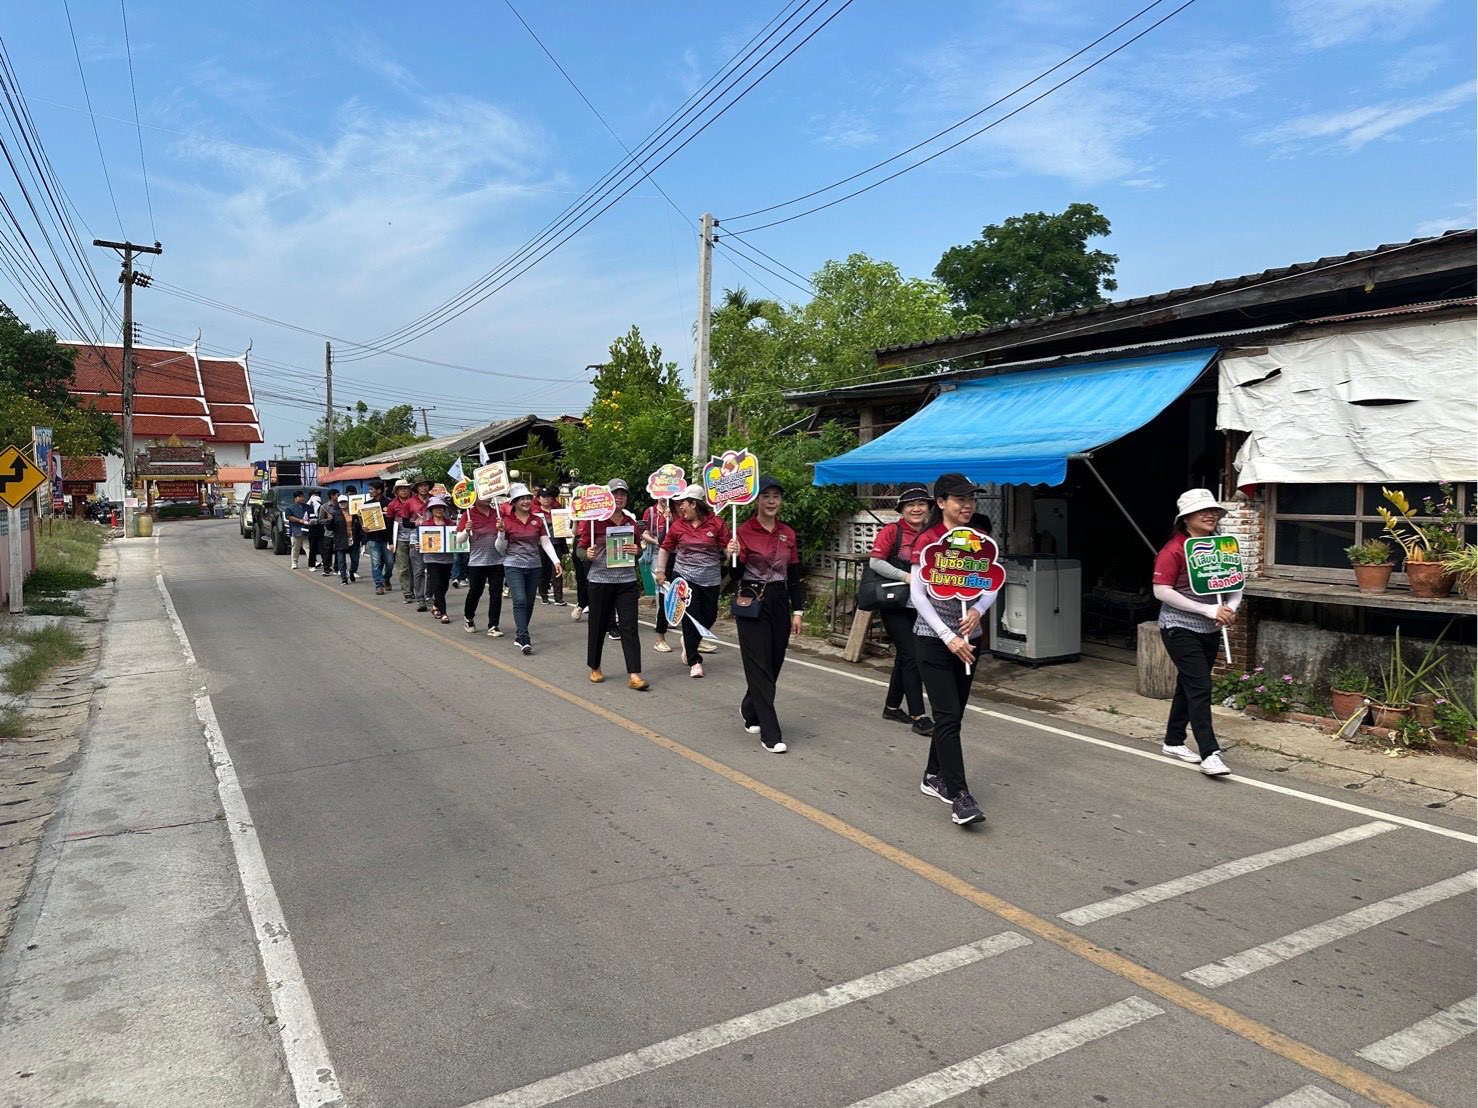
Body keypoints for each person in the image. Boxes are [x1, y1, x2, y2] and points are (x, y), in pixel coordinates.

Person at [910, 473, 1000, 827]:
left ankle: (933, 775)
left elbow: (991, 582)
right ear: (941, 502)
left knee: (954, 714)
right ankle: (960, 796)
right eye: (960, 499)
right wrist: (948, 635)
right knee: (947, 715)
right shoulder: (928, 540)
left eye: (971, 499)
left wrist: (978, 610)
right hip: (933, 639)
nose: (968, 505)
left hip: (969, 638)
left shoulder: (979, 539)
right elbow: (918, 596)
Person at [1152, 489, 1240, 777]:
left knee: (1189, 684)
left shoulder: (1223, 546)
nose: (1210, 515)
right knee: (1200, 686)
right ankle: (1209, 753)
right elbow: (1161, 591)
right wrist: (1207, 610)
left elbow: (1236, 583)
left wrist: (1229, 608)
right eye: (1202, 511)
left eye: (1213, 510)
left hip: (1211, 627)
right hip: (1179, 626)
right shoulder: (1173, 550)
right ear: (1185, 518)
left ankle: (1173, 741)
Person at [725, 475, 804, 752]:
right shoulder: (743, 531)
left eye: (776, 496)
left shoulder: (788, 533)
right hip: (752, 600)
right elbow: (735, 575)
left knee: (774, 662)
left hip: (779, 600)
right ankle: (771, 733)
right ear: (756, 500)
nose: (771, 501)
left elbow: (794, 574)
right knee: (758, 664)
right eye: (766, 496)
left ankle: (750, 708)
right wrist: (732, 555)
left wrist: (798, 611)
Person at [870, 485, 934, 736]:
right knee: (912, 655)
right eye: (910, 505)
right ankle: (919, 715)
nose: (916, 509)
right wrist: (906, 576)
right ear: (902, 509)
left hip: (922, 603)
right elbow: (876, 562)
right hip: (895, 603)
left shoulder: (933, 533)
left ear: (929, 507)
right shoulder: (892, 531)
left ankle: (892, 707)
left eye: (921, 504)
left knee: (905, 656)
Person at [579, 478, 649, 690]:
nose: (619, 497)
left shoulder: (630, 523)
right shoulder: (594, 521)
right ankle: (595, 666)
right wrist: (587, 554)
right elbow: (580, 549)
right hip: (600, 581)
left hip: (626, 582)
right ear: (606, 497)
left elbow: (638, 550)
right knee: (598, 625)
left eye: (623, 494)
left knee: (629, 626)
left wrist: (638, 551)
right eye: (615, 493)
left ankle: (634, 674)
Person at [655, 486, 729, 679]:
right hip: (685, 579)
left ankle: (689, 642)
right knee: (691, 618)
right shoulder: (678, 525)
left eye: (683, 504)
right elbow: (665, 548)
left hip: (711, 580)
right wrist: (661, 571)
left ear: (694, 504)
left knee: (710, 616)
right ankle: (694, 660)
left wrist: (733, 551)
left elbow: (727, 550)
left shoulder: (717, 523)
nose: (680, 508)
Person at [496, 484, 562, 655]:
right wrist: (501, 533)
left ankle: (520, 634)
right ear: (514, 502)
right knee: (520, 600)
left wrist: (556, 561)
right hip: (513, 565)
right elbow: (500, 548)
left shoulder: (537, 520)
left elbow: (545, 542)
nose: (526, 501)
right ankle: (524, 637)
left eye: (528, 498)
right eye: (522, 499)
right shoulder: (505, 521)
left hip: (534, 566)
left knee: (530, 602)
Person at [458, 492, 505, 636]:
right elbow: (459, 540)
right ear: (475, 497)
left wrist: (501, 530)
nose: (488, 498)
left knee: (496, 594)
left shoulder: (497, 513)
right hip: (477, 562)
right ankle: (469, 617)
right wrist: (466, 531)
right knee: (475, 592)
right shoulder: (469, 514)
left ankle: (493, 625)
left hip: (497, 560)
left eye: (489, 495)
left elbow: (504, 536)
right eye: (483, 495)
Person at [385, 479, 427, 608]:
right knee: (403, 568)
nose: (404, 490)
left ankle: (417, 591)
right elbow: (389, 524)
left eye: (406, 488)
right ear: (396, 491)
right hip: (400, 539)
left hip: (418, 538)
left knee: (417, 568)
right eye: (401, 488)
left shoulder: (417, 501)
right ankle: (407, 593)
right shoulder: (392, 505)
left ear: (410, 489)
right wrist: (390, 542)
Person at [641, 495, 674, 652]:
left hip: (676, 553)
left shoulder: (676, 510)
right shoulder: (651, 512)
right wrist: (656, 541)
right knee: (661, 587)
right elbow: (644, 533)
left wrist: (671, 519)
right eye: (661, 495)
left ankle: (672, 618)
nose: (664, 498)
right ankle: (660, 623)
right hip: (656, 551)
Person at [420, 496, 455, 622]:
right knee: (437, 584)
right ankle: (443, 612)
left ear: (444, 510)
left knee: (444, 585)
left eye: (441, 507)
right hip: (432, 559)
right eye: (435, 508)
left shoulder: (451, 524)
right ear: (431, 510)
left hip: (447, 559)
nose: (438, 510)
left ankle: (436, 605)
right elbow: (420, 540)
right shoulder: (426, 525)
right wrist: (419, 544)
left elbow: (456, 540)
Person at [535, 487, 567, 606]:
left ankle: (559, 597)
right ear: (539, 498)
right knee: (543, 570)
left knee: (557, 569)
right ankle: (544, 595)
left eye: (548, 496)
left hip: (556, 543)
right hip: (540, 544)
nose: (546, 499)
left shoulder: (558, 511)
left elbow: (565, 526)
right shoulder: (535, 512)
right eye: (544, 496)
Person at [362, 479, 394, 595]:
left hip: (386, 539)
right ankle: (379, 585)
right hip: (372, 538)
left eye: (371, 489)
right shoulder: (367, 504)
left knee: (390, 563)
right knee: (376, 563)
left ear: (379, 490)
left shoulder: (389, 503)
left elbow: (392, 522)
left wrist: (392, 540)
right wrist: (363, 527)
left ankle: (386, 578)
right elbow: (362, 521)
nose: (369, 491)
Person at [325, 495, 363, 585]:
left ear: (347, 502)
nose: (343, 504)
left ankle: (352, 571)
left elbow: (360, 526)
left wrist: (362, 538)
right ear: (338, 503)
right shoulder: (334, 513)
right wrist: (329, 520)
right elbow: (329, 527)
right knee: (341, 561)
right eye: (341, 502)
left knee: (355, 560)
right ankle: (344, 578)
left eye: (344, 502)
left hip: (353, 539)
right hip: (340, 539)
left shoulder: (354, 513)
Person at [286, 491, 312, 569]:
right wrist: (299, 520)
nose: (302, 498)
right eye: (300, 497)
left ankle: (311, 562)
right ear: (295, 498)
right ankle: (294, 562)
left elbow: (311, 515)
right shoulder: (290, 508)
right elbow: (289, 517)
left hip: (306, 530)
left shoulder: (307, 507)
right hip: (295, 530)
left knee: (308, 547)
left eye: (302, 497)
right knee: (295, 548)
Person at [305, 489, 325, 570]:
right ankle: (311, 565)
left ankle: (326, 564)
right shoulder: (308, 510)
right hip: (312, 531)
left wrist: (320, 521)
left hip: (321, 531)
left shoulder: (323, 509)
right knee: (312, 549)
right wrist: (309, 522)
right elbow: (305, 519)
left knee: (323, 548)